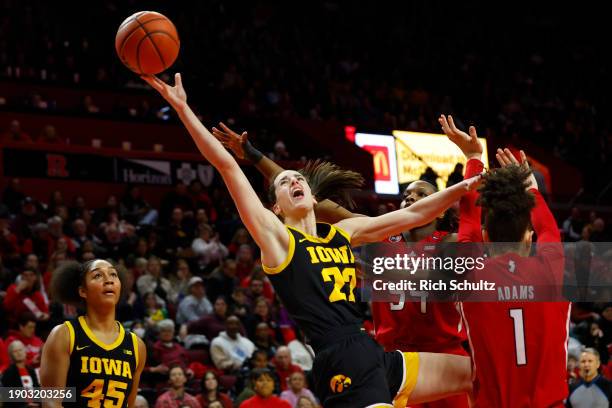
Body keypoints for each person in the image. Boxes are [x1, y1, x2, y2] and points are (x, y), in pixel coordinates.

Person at [143, 72, 476, 407]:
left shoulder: (342, 233)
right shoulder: (278, 241)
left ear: (314, 198)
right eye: (285, 182)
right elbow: (227, 166)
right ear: (275, 206)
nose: (294, 181)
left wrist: (466, 185)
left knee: (476, 372)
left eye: (298, 178)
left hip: (375, 352)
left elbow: (413, 216)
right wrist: (184, 109)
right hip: (340, 358)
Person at [213, 122, 469, 407]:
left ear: (441, 206)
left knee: (479, 376)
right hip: (387, 354)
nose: (411, 198)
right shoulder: (376, 237)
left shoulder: (450, 242)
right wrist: (253, 155)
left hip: (440, 352)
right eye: (407, 193)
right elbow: (303, 199)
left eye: (421, 194)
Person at [439, 114, 571, 407]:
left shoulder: (470, 272)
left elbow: (469, 223)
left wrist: (474, 158)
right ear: (529, 236)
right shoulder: (551, 268)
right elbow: (549, 228)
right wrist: (529, 184)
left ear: (486, 238)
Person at [39, 259, 146, 407]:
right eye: (98, 276)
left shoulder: (136, 345)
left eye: (113, 275)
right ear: (83, 291)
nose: (109, 280)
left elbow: (129, 404)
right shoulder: (64, 335)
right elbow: (51, 401)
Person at [1, 340, 40, 408]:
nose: (19, 353)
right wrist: (25, 406)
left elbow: (37, 391)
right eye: (15, 351)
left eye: (20, 350)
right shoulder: (8, 373)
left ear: (25, 351)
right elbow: (8, 397)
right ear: (11, 354)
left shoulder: (31, 370)